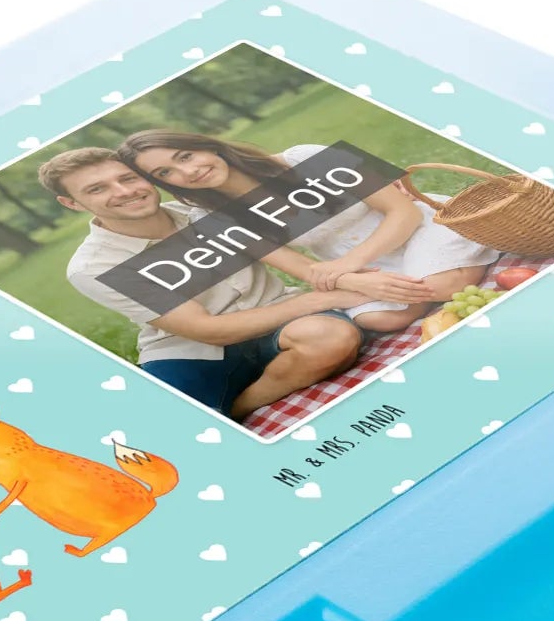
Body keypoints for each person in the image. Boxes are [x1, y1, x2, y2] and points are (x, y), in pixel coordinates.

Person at [38, 146, 437, 421]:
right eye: (97, 189)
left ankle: (239, 409)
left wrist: (370, 187)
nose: (124, 192)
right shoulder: (94, 266)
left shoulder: (207, 213)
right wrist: (323, 299)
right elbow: (207, 331)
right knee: (172, 428)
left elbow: (297, 253)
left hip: (281, 318)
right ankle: (221, 411)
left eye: (127, 178)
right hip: (190, 350)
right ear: (71, 203)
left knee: (332, 338)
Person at [118, 130, 500, 337]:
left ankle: (436, 282)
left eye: (185, 156)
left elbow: (402, 211)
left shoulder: (305, 157)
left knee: (431, 286)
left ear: (207, 146)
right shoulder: (213, 217)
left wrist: (348, 265)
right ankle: (424, 289)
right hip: (359, 267)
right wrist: (357, 280)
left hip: (416, 229)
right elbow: (300, 268)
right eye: (165, 173)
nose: (187, 172)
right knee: (377, 321)